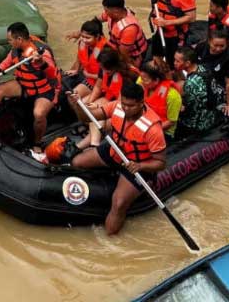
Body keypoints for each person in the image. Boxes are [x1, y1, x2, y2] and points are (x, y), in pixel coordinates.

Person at [71, 82, 167, 235]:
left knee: (119, 203)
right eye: (124, 104)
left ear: (141, 103)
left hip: (136, 165)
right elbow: (87, 118)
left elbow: (161, 163)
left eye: (131, 106)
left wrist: (140, 166)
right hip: (115, 151)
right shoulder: (117, 106)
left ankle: (110, 239)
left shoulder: (153, 129)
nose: (126, 109)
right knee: (77, 162)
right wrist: (77, 106)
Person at [0, 22, 60, 143]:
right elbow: (8, 61)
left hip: (45, 89)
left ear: (19, 39)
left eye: (10, 40)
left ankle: (38, 142)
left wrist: (41, 63)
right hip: (26, 85)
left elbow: (52, 73)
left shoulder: (41, 52)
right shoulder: (17, 49)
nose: (9, 42)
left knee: (38, 114)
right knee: (0, 89)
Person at [67, 0, 148, 68]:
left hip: (132, 55)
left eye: (106, 10)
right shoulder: (114, 14)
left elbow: (123, 54)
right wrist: (80, 32)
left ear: (116, 11)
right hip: (115, 46)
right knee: (85, 46)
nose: (105, 12)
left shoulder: (129, 29)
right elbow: (96, 20)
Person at [73, 47, 136, 122]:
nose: (104, 72)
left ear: (115, 66)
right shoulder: (104, 67)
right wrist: (89, 102)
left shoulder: (127, 77)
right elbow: (98, 87)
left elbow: (120, 102)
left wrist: (98, 106)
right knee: (83, 104)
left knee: (94, 113)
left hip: (119, 104)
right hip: (108, 96)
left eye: (107, 70)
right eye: (102, 69)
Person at [173, 47, 224, 139]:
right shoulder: (203, 68)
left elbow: (186, 108)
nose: (174, 63)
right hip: (211, 113)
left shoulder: (190, 84)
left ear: (187, 63)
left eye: (177, 61)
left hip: (198, 124)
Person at [194, 27, 229, 118]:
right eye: (215, 45)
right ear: (209, 41)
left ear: (227, 44)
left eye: (222, 46)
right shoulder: (201, 47)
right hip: (199, 78)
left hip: (217, 85)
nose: (218, 49)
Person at [63, 18, 111, 102]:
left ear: (97, 36)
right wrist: (76, 69)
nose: (84, 40)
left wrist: (88, 75)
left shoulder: (105, 50)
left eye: (88, 38)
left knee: (80, 102)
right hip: (88, 77)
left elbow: (106, 74)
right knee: (71, 97)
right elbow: (80, 55)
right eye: (82, 36)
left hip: (99, 82)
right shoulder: (82, 43)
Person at [138, 58, 182, 138]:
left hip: (164, 132)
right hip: (145, 123)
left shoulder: (172, 96)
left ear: (156, 80)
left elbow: (171, 122)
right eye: (141, 79)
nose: (141, 82)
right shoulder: (144, 82)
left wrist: (150, 131)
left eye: (145, 80)